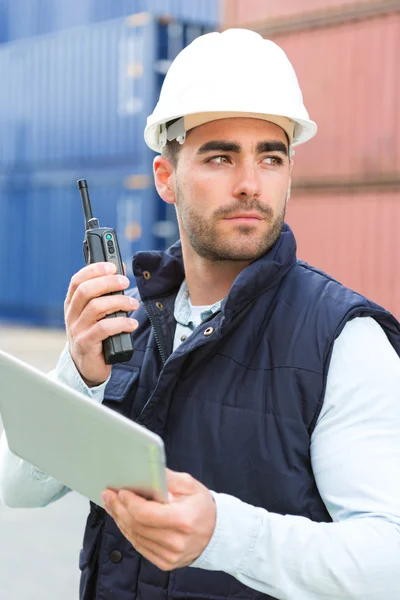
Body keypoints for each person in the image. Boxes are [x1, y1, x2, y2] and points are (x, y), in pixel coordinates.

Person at [0, 28, 400, 600]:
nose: (249, 184)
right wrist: (78, 376)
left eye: (271, 157)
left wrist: (225, 534)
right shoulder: (125, 326)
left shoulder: (343, 340)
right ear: (166, 177)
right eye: (220, 157)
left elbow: (391, 560)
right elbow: (19, 489)